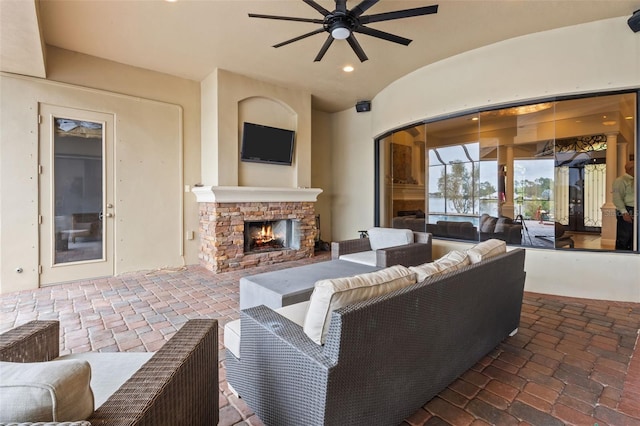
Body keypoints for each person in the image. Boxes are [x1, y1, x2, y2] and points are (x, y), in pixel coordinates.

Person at [612, 160, 635, 250]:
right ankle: (621, 258)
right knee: (625, 236)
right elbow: (617, 198)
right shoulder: (621, 181)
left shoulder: (636, 180)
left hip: (634, 209)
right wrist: (624, 213)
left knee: (634, 236)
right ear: (631, 169)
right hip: (627, 210)